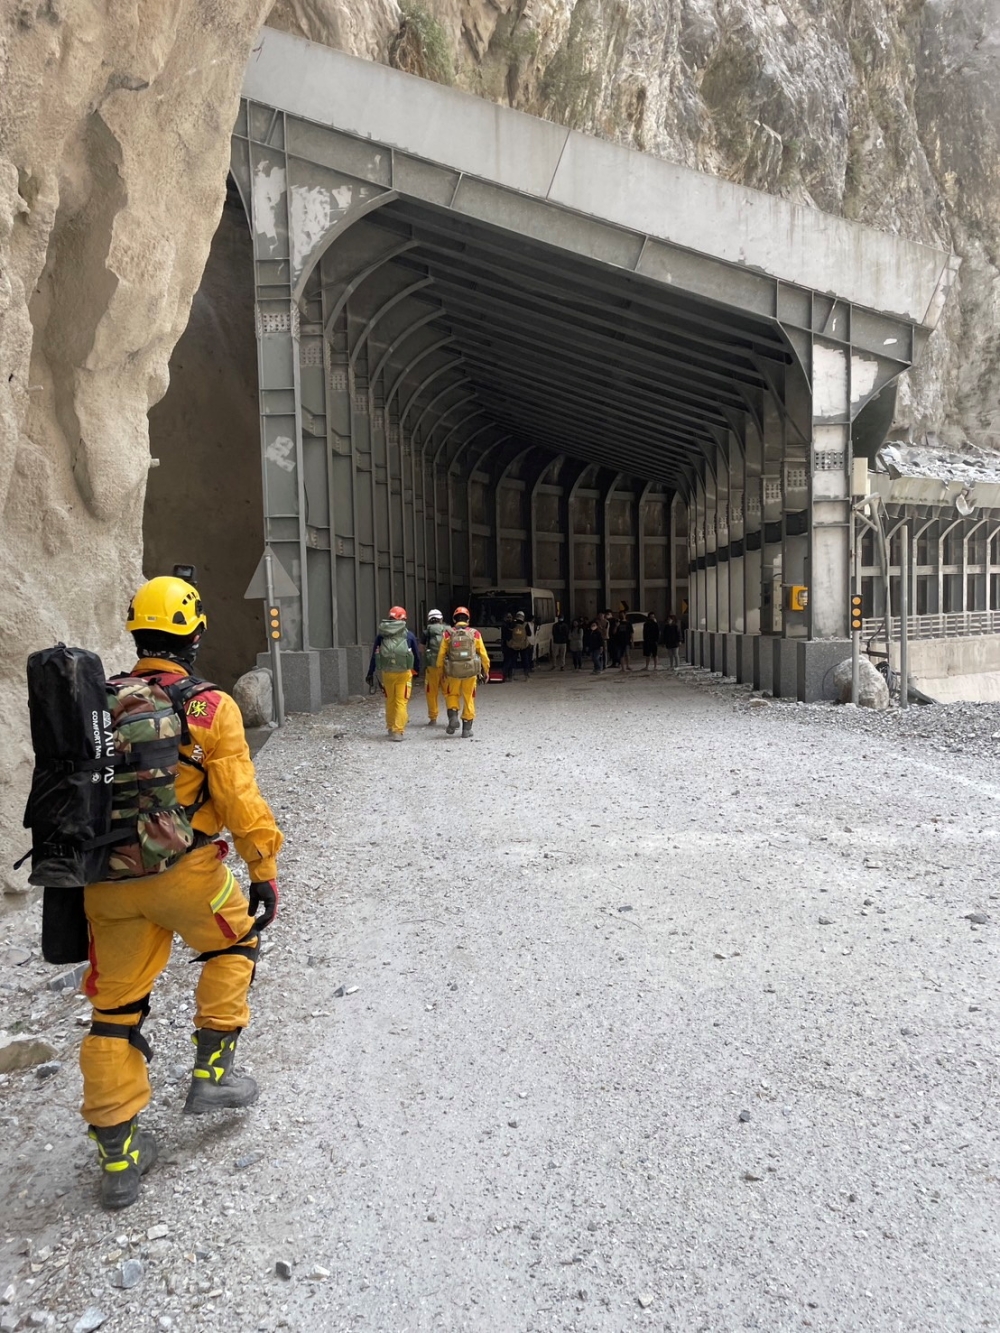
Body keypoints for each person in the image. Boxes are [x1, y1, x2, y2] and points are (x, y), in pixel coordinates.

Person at [81, 575, 283, 1209]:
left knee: (114, 1008)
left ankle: (119, 1154)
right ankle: (212, 1075)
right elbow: (239, 799)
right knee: (235, 946)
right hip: (187, 873)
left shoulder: (96, 699)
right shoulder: (208, 706)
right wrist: (263, 867)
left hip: (107, 882)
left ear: (135, 631)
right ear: (194, 633)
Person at [366, 606, 421, 741]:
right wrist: (417, 670)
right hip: (404, 672)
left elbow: (375, 655)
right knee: (401, 701)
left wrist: (370, 672)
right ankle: (398, 731)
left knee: (390, 700)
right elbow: (416, 655)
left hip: (387, 672)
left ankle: (390, 727)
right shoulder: (408, 635)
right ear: (403, 619)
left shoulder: (381, 635)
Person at [437, 606, 490, 737]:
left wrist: (441, 671)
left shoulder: (448, 633)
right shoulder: (475, 633)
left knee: (452, 695)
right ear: (468, 619)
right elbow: (483, 654)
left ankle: (453, 717)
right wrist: (486, 670)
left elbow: (441, 654)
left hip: (453, 672)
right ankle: (466, 729)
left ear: (455, 619)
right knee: (469, 698)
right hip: (470, 672)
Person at [422, 609, 447, 725]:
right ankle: (452, 716)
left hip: (432, 666)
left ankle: (433, 718)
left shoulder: (427, 631)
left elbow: (421, 648)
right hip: (446, 666)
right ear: (441, 619)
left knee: (431, 692)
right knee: (449, 692)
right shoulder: (448, 630)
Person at [508, 610, 533, 680]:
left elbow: (509, 633)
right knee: (525, 660)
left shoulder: (513, 624)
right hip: (523, 646)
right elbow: (529, 634)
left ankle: (511, 676)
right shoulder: (525, 624)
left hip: (514, 645)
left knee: (513, 660)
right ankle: (526, 675)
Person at [501, 613, 515, 682]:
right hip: (506, 646)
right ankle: (505, 675)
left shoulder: (513, 625)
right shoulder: (504, 626)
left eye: (510, 617)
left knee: (510, 661)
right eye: (508, 617)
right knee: (507, 661)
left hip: (512, 646)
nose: (509, 619)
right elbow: (505, 635)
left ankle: (509, 675)